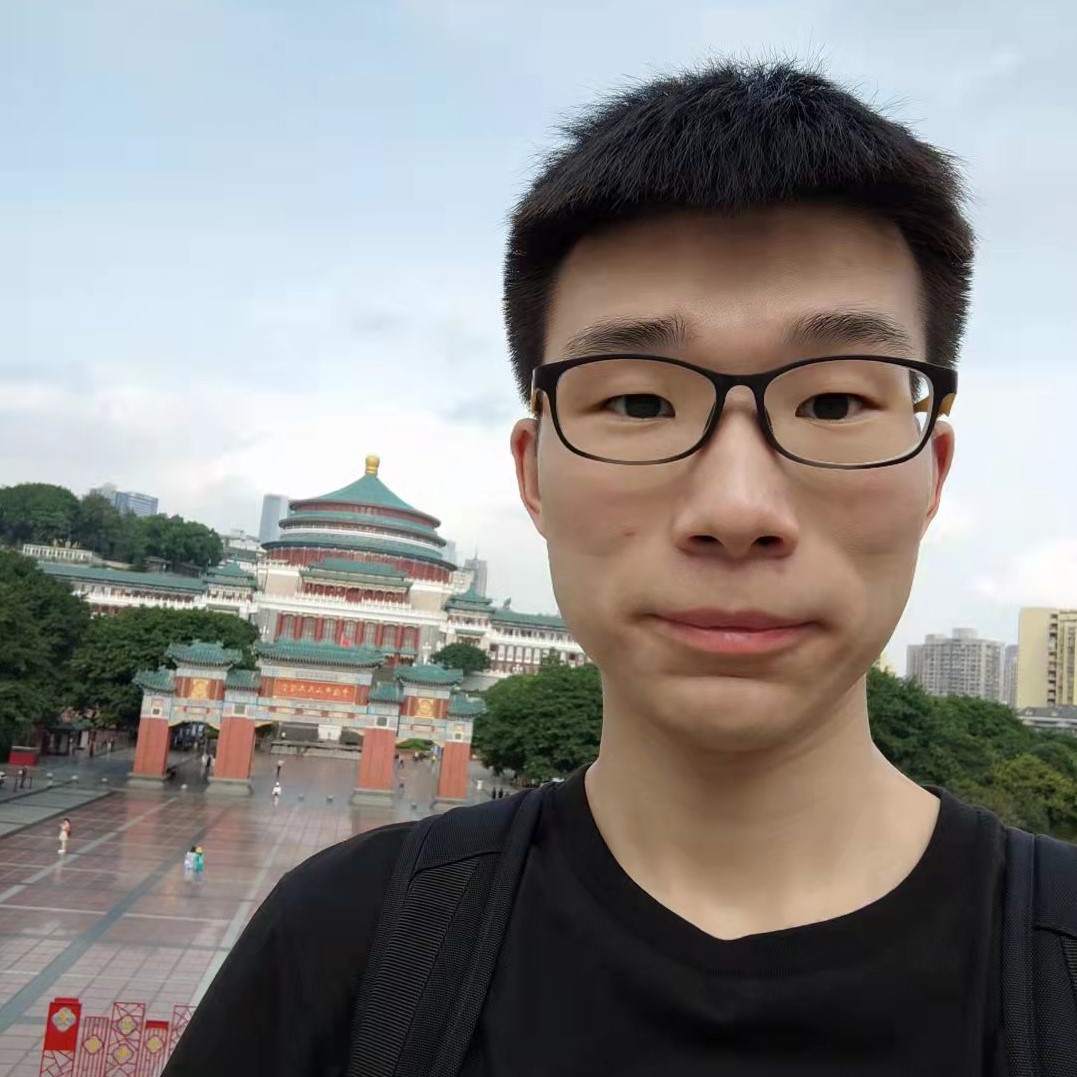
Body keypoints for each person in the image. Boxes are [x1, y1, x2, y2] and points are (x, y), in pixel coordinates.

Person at [163, 60, 1076, 1077]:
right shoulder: (342, 949)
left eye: (832, 403)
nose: (736, 510)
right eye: (639, 403)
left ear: (932, 470)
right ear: (533, 472)